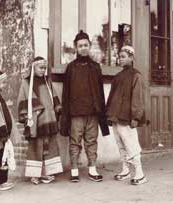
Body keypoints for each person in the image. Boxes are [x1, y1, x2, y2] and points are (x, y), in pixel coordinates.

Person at [60, 30, 109, 183]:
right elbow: (66, 93)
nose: (83, 48)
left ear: (89, 46)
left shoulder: (95, 67)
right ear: (76, 47)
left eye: (86, 45)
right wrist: (66, 113)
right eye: (80, 46)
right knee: (75, 142)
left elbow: (100, 91)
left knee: (91, 141)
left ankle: (92, 170)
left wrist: (101, 110)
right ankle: (74, 171)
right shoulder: (71, 68)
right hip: (76, 113)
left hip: (93, 112)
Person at [17, 56, 63, 185]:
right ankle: (34, 175)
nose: (43, 70)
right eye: (40, 68)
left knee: (49, 146)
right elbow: (22, 99)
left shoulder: (47, 81)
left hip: (49, 119)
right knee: (36, 147)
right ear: (33, 67)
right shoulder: (26, 82)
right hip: (36, 121)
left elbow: (54, 97)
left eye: (44, 68)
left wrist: (58, 108)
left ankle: (47, 172)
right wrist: (31, 114)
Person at [106, 45, 147, 185]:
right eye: (119, 56)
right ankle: (125, 170)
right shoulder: (118, 77)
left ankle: (140, 173)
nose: (120, 59)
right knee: (120, 144)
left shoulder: (136, 75)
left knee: (131, 144)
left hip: (127, 118)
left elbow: (138, 98)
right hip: (116, 116)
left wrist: (136, 117)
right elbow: (111, 97)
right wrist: (109, 115)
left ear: (131, 58)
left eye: (123, 56)